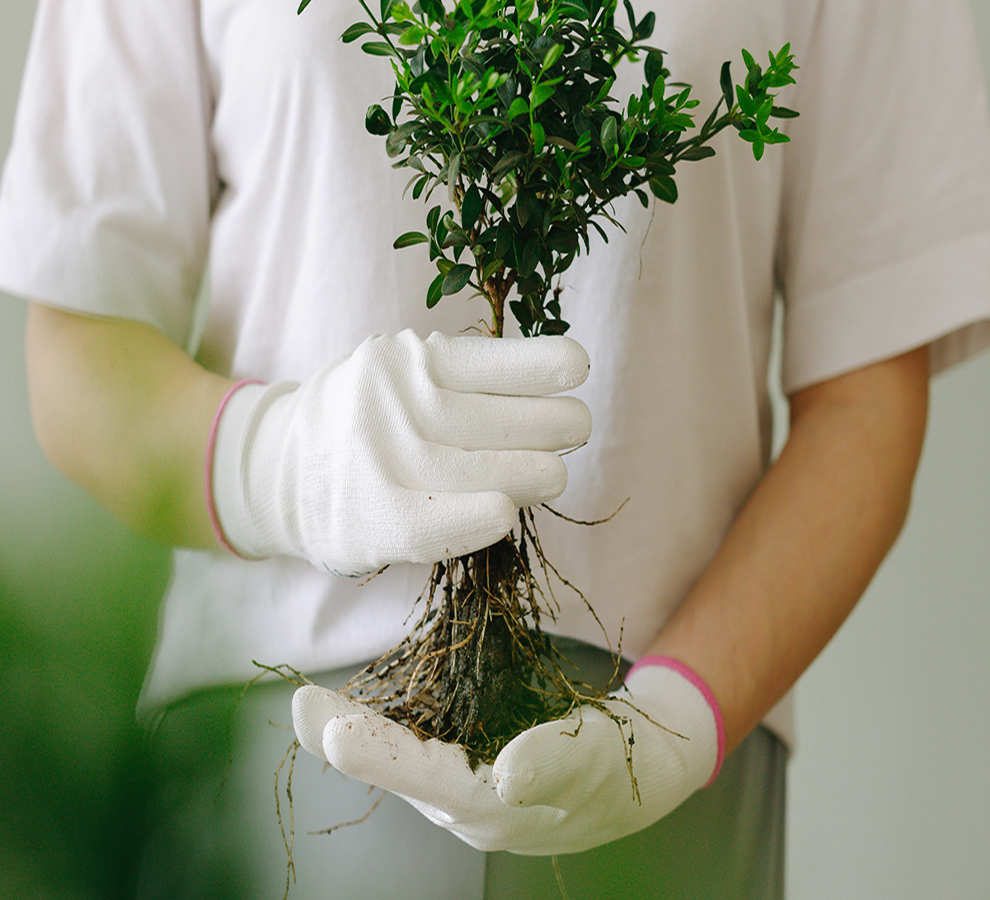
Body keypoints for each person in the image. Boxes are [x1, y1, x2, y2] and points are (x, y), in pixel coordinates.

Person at [2, 0, 989, 897]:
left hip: (664, 737)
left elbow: (863, 401)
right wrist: (277, 464)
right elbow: (85, 341)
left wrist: (677, 722)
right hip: (266, 734)